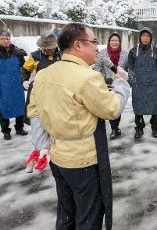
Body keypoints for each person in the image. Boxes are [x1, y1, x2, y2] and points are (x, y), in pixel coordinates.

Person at [27, 23, 130, 230]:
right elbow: (111, 109)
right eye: (93, 42)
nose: (96, 48)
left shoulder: (45, 74)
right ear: (78, 45)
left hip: (58, 158)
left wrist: (42, 145)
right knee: (89, 216)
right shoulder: (87, 77)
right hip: (83, 161)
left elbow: (34, 112)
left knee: (66, 211)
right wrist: (121, 83)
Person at [22, 31, 63, 173]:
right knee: (38, 121)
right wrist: (24, 81)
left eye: (51, 47)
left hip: (57, 91)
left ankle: (53, 148)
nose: (49, 50)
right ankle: (39, 150)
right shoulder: (35, 55)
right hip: (39, 91)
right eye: (46, 48)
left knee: (55, 120)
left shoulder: (61, 54)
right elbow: (25, 70)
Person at [128, 28, 157, 140]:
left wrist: (154, 76)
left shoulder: (156, 51)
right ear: (140, 37)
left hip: (153, 83)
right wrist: (133, 80)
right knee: (138, 107)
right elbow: (130, 67)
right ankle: (139, 127)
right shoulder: (133, 51)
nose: (145, 38)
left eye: (148, 36)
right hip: (139, 84)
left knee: (155, 107)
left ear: (150, 38)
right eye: (143, 36)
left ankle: (155, 127)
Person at [93, 32, 129, 139]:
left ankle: (114, 128)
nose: (114, 42)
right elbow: (97, 68)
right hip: (105, 84)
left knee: (116, 105)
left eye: (116, 40)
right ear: (109, 42)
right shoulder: (102, 53)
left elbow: (127, 69)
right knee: (104, 106)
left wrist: (123, 76)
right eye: (112, 40)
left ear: (120, 42)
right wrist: (102, 80)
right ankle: (104, 128)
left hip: (119, 84)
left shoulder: (125, 54)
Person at [0, 29, 28, 140]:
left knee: (19, 106)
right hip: (2, 85)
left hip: (16, 84)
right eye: (2, 38)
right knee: (3, 108)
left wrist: (22, 79)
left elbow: (23, 68)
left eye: (7, 38)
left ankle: (19, 128)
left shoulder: (18, 52)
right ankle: (6, 131)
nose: (5, 41)